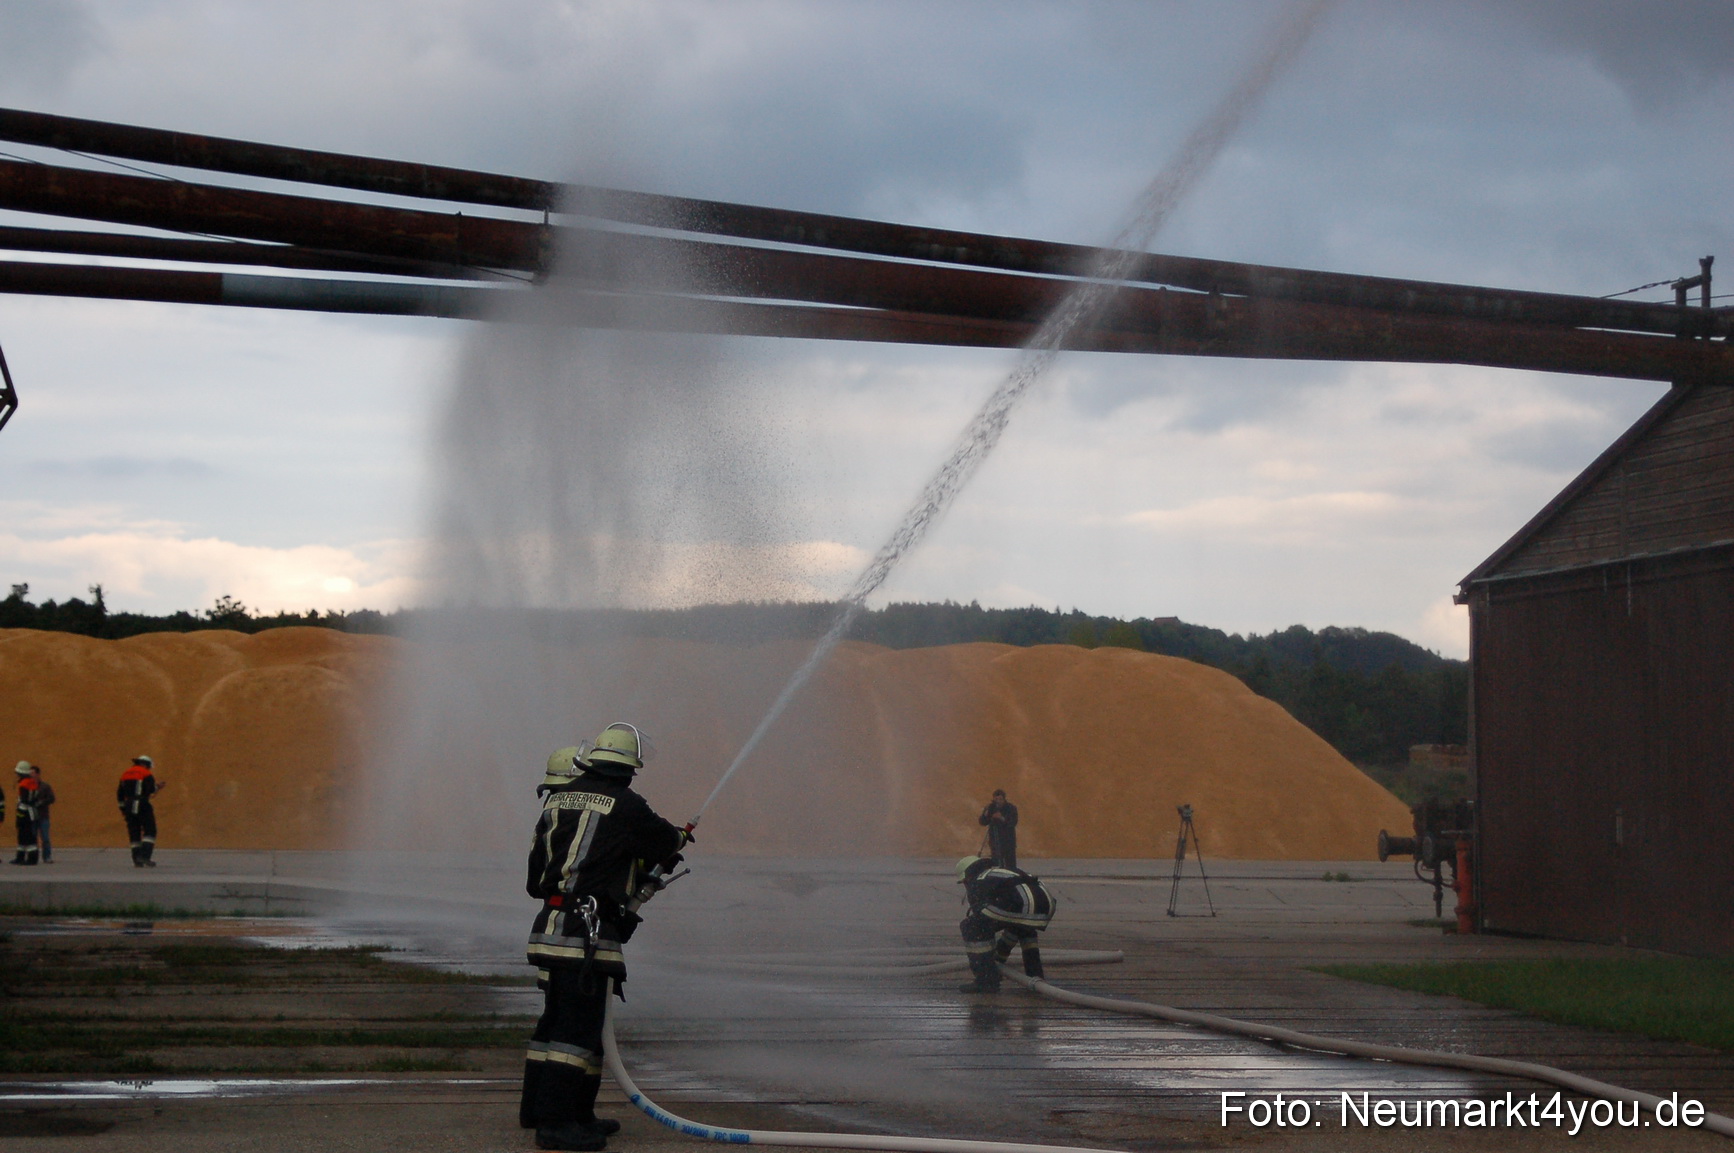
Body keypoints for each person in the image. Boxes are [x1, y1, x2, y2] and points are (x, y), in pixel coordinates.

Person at [520, 725, 688, 1152]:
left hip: (551, 924)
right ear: (628, 771)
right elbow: (666, 841)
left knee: (557, 1024)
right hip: (585, 935)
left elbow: (536, 873)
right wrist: (677, 841)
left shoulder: (559, 798)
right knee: (576, 1034)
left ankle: (554, 1111)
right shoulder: (627, 804)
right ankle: (557, 1125)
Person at [955, 855, 1056, 994]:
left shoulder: (979, 880)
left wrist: (985, 959)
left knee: (972, 926)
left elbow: (980, 917)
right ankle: (1035, 974)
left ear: (967, 875)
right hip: (1045, 906)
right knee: (1022, 927)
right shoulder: (1001, 871)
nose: (966, 885)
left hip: (1021, 907)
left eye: (964, 882)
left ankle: (986, 980)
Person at [117, 755, 165, 867]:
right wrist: (158, 787)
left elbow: (119, 794)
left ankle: (136, 859)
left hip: (129, 805)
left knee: (134, 832)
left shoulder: (125, 774)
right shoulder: (145, 773)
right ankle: (144, 855)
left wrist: (123, 809)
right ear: (145, 764)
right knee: (150, 830)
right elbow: (151, 790)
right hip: (142, 804)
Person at [978, 788, 1019, 868]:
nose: (998, 801)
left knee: (1010, 863)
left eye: (1000, 799)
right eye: (996, 799)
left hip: (1008, 840)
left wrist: (1002, 818)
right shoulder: (990, 808)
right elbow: (983, 822)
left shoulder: (1011, 808)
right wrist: (985, 814)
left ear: (1004, 799)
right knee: (996, 862)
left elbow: (1013, 822)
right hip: (995, 841)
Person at [10, 761, 39, 865]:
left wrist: (19, 817)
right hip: (31, 813)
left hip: (24, 814)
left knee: (26, 836)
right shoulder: (32, 782)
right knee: (26, 836)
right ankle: (21, 857)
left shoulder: (23, 784)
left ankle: (30, 858)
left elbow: (24, 800)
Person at [30, 763, 54, 863]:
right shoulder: (28, 787)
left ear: (38, 774)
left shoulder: (45, 786)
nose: (31, 776)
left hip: (43, 816)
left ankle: (47, 856)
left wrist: (42, 802)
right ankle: (33, 857)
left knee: (45, 838)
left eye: (32, 774)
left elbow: (52, 798)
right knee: (32, 838)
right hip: (32, 816)